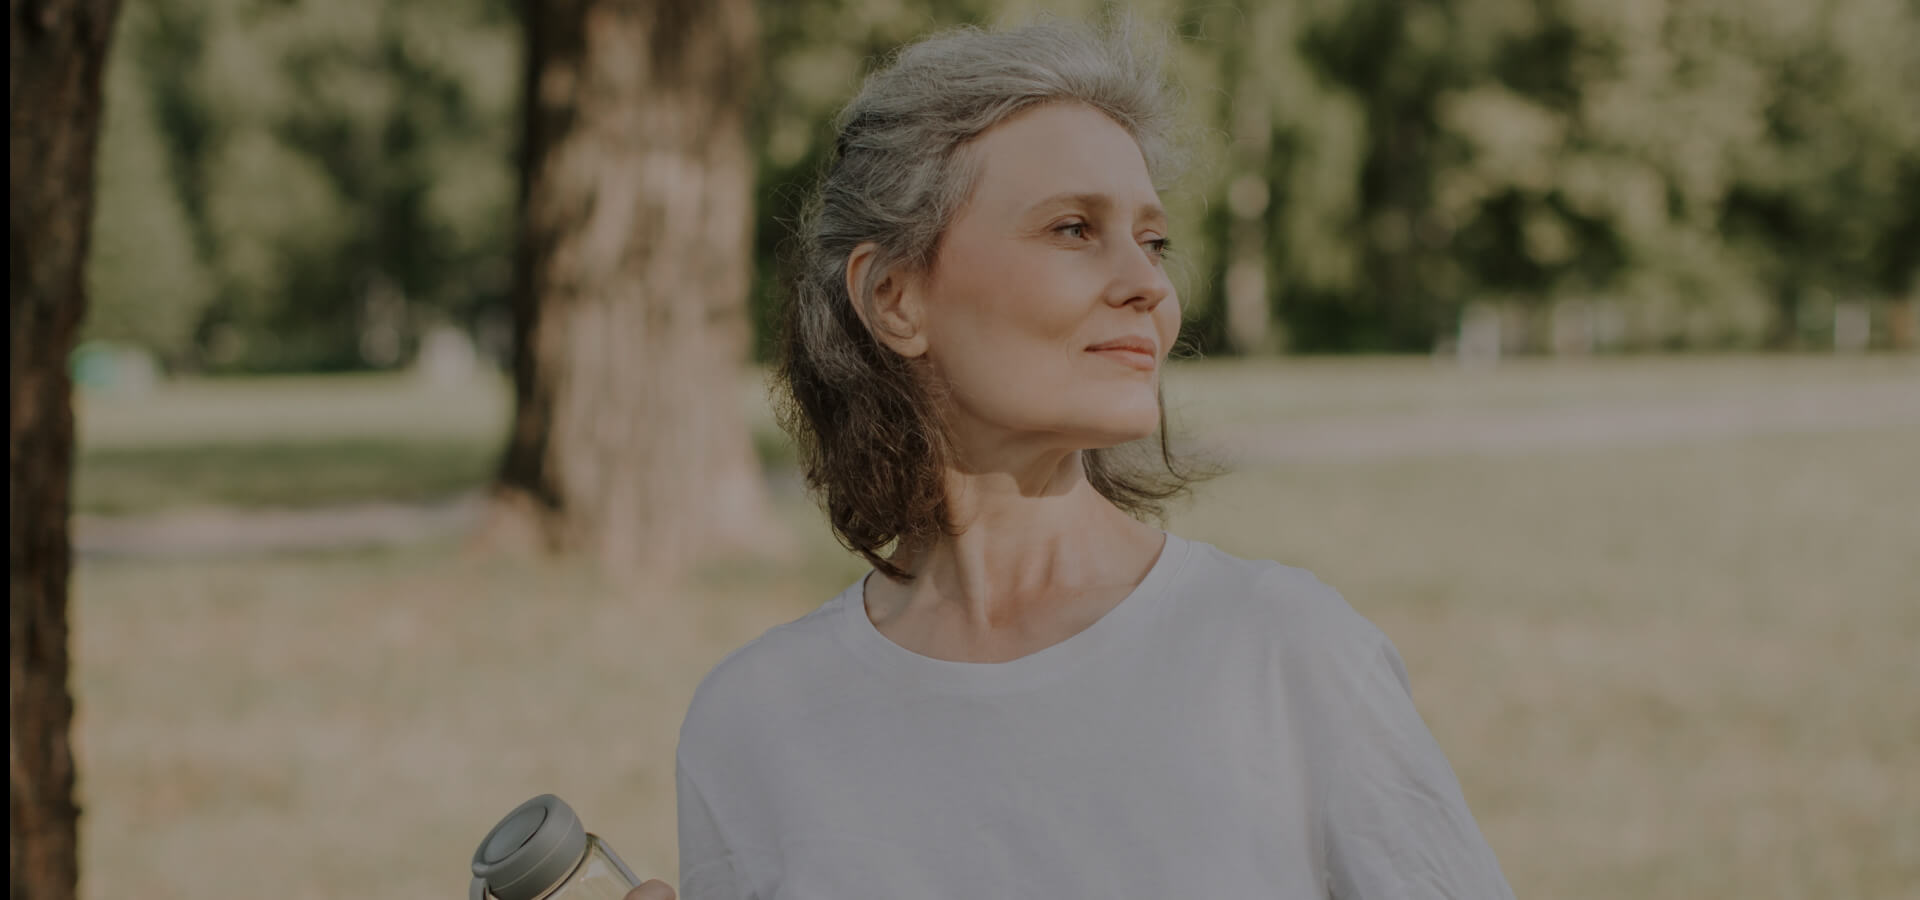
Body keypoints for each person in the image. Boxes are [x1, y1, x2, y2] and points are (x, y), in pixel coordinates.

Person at [628, 19, 1513, 900]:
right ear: (894, 298)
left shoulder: (1287, 656)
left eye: (1153, 240)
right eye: (1073, 229)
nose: (1150, 284)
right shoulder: (753, 724)